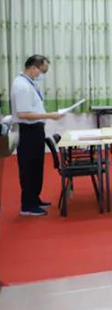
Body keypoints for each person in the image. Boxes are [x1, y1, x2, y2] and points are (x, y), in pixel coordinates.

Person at [10, 55, 62, 216]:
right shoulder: (21, 86)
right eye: (42, 71)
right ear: (33, 67)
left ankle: (35, 199)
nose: (42, 75)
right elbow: (23, 114)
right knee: (28, 168)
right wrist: (49, 116)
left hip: (35, 130)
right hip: (28, 131)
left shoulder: (28, 83)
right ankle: (27, 205)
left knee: (36, 166)